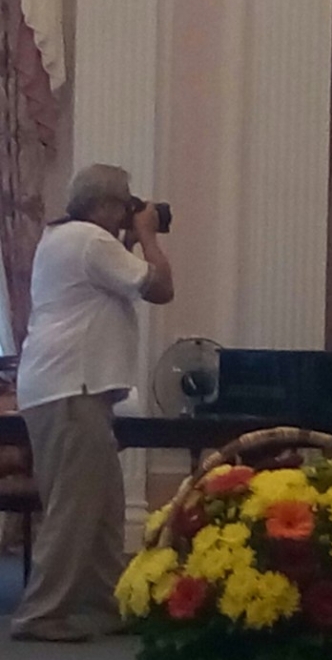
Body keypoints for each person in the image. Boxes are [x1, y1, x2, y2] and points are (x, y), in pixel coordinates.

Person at [10, 164, 174, 642]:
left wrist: (130, 239)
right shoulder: (89, 240)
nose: (129, 212)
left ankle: (107, 603)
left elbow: (111, 284)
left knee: (103, 506)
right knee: (75, 507)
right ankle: (41, 613)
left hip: (65, 389)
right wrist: (148, 236)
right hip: (71, 389)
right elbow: (162, 289)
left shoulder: (66, 238)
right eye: (125, 203)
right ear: (103, 206)